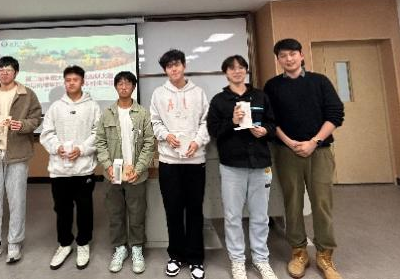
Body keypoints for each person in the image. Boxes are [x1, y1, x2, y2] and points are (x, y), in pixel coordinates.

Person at [264, 39, 345, 279]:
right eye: (283, 55)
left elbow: (336, 114)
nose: (288, 59)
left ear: (301, 55)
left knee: (322, 203)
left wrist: (314, 142)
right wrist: (289, 142)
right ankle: (299, 252)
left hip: (319, 151)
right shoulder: (272, 86)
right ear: (278, 60)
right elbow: (270, 120)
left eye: (292, 54)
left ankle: (325, 255)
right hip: (286, 152)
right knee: (292, 203)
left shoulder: (320, 81)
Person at [207, 55, 278, 279]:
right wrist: (232, 122)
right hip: (232, 166)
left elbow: (273, 124)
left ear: (246, 70)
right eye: (232, 68)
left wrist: (265, 131)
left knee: (260, 216)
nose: (237, 71)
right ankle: (237, 260)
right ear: (225, 73)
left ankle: (261, 259)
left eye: (241, 67)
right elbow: (213, 131)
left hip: (260, 163)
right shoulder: (219, 100)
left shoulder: (260, 96)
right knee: (232, 216)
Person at [0, 56, 42, 268]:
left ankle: (14, 243)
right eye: (1, 69)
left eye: (8, 70)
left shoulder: (27, 94)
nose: (4, 73)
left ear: (16, 73)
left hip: (17, 153)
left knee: (17, 200)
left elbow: (36, 118)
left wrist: (22, 125)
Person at [150, 49, 210, 279]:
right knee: (173, 210)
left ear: (184, 66)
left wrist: (197, 142)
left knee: (194, 210)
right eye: (169, 66)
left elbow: (206, 122)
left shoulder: (198, 92)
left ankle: (196, 258)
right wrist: (166, 136)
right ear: (165, 70)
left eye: (177, 64)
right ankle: (175, 256)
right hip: (169, 161)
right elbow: (155, 121)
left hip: (195, 161)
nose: (173, 69)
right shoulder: (158, 94)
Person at [40, 65, 101, 270]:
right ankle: (64, 244)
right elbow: (47, 133)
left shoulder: (92, 106)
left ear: (83, 81)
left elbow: (98, 133)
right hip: (59, 170)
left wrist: (81, 149)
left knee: (85, 208)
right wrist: (57, 147)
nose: (71, 83)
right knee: (62, 209)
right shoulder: (55, 107)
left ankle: (83, 244)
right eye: (68, 80)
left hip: (84, 169)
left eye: (75, 79)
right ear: (64, 82)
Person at [95, 71, 155, 274]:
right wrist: (107, 166)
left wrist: (139, 168)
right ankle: (120, 248)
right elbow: (100, 142)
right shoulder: (107, 113)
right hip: (113, 175)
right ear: (115, 87)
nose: (123, 87)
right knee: (115, 214)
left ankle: (136, 248)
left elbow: (149, 143)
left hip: (136, 175)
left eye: (127, 83)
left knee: (137, 214)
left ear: (133, 87)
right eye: (120, 83)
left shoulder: (143, 113)